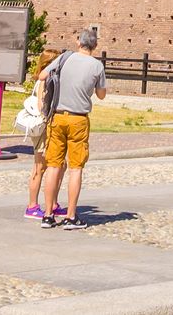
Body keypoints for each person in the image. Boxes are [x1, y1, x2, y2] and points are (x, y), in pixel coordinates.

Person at [39, 26, 106, 230]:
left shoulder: (65, 58)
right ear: (94, 46)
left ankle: (48, 215)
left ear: (78, 42)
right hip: (78, 119)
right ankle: (70, 217)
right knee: (75, 168)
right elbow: (102, 95)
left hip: (57, 117)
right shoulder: (97, 66)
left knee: (53, 166)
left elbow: (42, 76)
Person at [20, 45, 62, 222]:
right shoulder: (43, 81)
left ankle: (52, 203)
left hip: (46, 127)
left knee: (58, 164)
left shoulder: (44, 79)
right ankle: (32, 205)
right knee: (40, 166)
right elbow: (41, 106)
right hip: (44, 128)